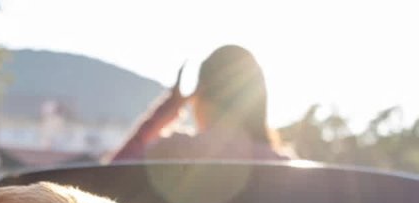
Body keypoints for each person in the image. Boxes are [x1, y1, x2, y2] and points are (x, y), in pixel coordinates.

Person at [110, 44, 292, 162]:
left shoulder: (174, 150)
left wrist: (170, 107)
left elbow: (110, 178)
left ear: (201, 92)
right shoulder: (287, 168)